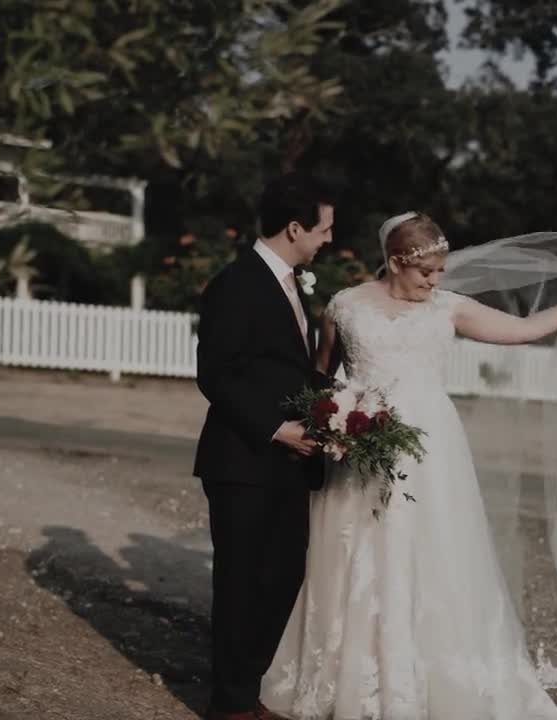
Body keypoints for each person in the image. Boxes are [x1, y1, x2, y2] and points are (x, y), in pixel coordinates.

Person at [260, 212, 557, 719]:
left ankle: (429, 674)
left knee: (433, 553)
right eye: (425, 273)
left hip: (431, 449)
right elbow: (320, 378)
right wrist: (334, 418)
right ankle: (351, 678)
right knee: (358, 552)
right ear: (394, 263)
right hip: (362, 448)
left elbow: (523, 330)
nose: (435, 281)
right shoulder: (345, 307)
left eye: (439, 271)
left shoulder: (448, 308)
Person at [193, 174, 335, 720]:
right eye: (323, 229)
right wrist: (278, 430)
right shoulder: (237, 284)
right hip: (242, 459)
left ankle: (244, 690)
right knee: (241, 581)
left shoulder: (292, 283)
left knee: (283, 575)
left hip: (285, 465)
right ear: (295, 227)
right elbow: (216, 376)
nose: (327, 239)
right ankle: (230, 706)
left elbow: (287, 371)